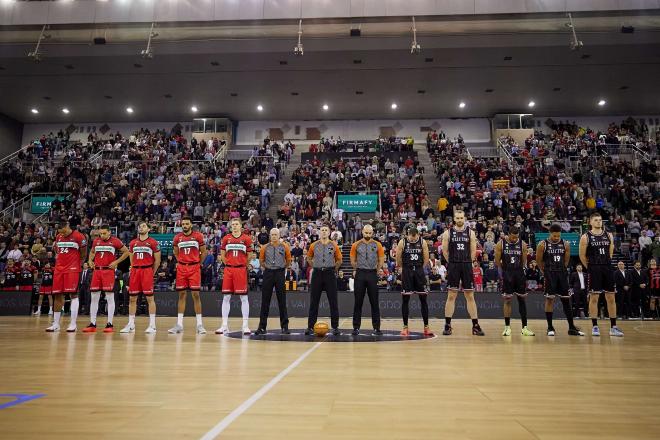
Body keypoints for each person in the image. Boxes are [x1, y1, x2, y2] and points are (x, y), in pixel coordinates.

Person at [579, 212, 624, 337]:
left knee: (611, 297)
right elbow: (582, 256)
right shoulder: (585, 236)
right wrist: (591, 267)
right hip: (594, 268)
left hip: (607, 268)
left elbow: (610, 253)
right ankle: (594, 326)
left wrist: (606, 264)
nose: (599, 222)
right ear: (590, 222)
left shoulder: (609, 235)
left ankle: (613, 327)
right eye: (596, 220)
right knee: (594, 298)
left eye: (600, 220)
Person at [441, 209, 483, 336]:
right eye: (457, 218)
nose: (459, 220)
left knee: (470, 296)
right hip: (453, 265)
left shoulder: (470, 233)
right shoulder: (448, 233)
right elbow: (444, 251)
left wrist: (466, 262)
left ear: (464, 218)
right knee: (451, 296)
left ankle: (475, 325)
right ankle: (447, 325)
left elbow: (473, 251)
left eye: (461, 218)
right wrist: (453, 262)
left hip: (466, 265)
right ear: (454, 219)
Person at [537, 224, 584, 337]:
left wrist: (561, 271)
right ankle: (550, 327)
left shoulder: (565, 244)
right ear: (550, 233)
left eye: (558, 235)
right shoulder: (542, 244)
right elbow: (538, 261)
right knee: (550, 300)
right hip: (549, 273)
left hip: (562, 274)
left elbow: (566, 261)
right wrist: (545, 272)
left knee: (566, 300)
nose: (557, 238)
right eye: (554, 236)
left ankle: (571, 327)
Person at [83, 225, 129, 333]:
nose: (102, 235)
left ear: (109, 232)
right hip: (97, 271)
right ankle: (92, 324)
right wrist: (90, 260)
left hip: (108, 271)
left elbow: (126, 252)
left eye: (104, 233)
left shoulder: (115, 241)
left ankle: (110, 324)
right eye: (100, 233)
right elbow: (92, 252)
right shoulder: (96, 241)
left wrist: (116, 262)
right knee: (94, 297)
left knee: (109, 297)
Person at [46, 220, 87, 332]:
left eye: (63, 232)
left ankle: (73, 324)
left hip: (72, 269)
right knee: (57, 295)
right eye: (60, 232)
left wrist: (78, 264)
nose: (62, 234)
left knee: (73, 294)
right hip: (59, 269)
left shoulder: (79, 236)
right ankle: (56, 324)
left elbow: (84, 253)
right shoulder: (58, 236)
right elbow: (57, 251)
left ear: (67, 226)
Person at [169, 216, 207, 334]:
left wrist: (198, 263)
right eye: (183, 224)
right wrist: (181, 261)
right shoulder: (177, 238)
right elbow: (176, 252)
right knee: (182, 295)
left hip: (194, 267)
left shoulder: (198, 236)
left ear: (191, 225)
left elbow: (204, 252)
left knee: (196, 295)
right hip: (181, 268)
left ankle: (200, 325)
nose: (185, 226)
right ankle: (179, 324)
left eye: (187, 224)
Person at [121, 222, 161, 334]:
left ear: (148, 229)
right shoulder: (133, 242)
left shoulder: (153, 242)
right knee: (132, 298)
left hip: (147, 270)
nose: (141, 228)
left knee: (149, 299)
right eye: (139, 226)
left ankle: (152, 325)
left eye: (143, 226)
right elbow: (131, 257)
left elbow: (157, 261)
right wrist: (133, 268)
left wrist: (152, 272)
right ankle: (131, 325)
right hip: (135, 271)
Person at [494, 226, 535, 337]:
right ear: (508, 235)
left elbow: (523, 261)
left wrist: (519, 270)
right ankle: (507, 328)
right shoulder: (500, 244)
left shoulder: (522, 244)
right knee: (507, 300)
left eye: (516, 237)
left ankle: (525, 328)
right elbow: (497, 261)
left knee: (522, 300)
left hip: (519, 273)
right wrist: (505, 269)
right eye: (512, 237)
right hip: (507, 273)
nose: (514, 239)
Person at [217, 218, 254, 335]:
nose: (234, 226)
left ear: (240, 226)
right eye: (232, 224)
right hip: (228, 270)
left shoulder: (246, 239)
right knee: (226, 297)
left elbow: (250, 255)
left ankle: (245, 326)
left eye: (236, 224)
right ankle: (224, 325)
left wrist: (243, 265)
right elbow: (222, 255)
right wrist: (228, 263)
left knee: (243, 298)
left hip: (240, 270)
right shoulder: (226, 238)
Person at [395, 224, 433, 336]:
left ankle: (426, 327)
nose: (413, 238)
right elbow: (398, 258)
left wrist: (420, 269)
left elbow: (426, 259)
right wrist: (405, 268)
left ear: (418, 235)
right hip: (407, 271)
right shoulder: (402, 242)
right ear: (407, 235)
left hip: (419, 272)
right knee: (405, 299)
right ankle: (405, 327)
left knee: (423, 299)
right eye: (411, 237)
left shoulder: (422, 242)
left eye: (414, 237)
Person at [305, 224, 342, 336]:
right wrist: (315, 265)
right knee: (314, 301)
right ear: (320, 232)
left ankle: (335, 327)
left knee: (333, 301)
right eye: (322, 230)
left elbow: (339, 259)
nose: (324, 232)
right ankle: (310, 327)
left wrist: (332, 268)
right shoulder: (314, 245)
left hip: (330, 274)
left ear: (329, 232)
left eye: (326, 230)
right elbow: (309, 258)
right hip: (317, 273)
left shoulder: (334, 245)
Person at [350, 224, 385, 336]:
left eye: (370, 233)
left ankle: (376, 328)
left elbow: (381, 260)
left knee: (374, 302)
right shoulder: (356, 245)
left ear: (372, 233)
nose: (368, 235)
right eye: (366, 233)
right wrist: (357, 268)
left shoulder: (377, 244)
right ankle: (356, 327)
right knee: (357, 302)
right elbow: (352, 259)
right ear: (362, 232)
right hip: (360, 274)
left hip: (372, 274)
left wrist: (376, 270)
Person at [254, 228, 291, 335]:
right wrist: (268, 267)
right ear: (270, 235)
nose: (274, 236)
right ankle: (262, 327)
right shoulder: (265, 247)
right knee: (265, 301)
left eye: (276, 234)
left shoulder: (285, 246)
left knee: (282, 300)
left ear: (279, 235)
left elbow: (288, 260)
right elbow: (261, 261)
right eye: (272, 234)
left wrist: (282, 268)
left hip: (280, 273)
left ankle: (285, 327)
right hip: (268, 273)